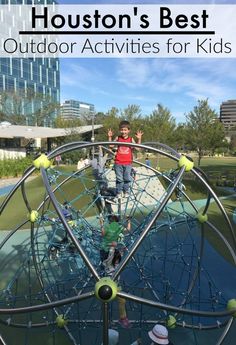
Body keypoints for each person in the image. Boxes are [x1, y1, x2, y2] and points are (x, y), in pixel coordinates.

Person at [108, 120, 143, 200]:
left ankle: (126, 191)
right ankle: (119, 192)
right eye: (122, 130)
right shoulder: (118, 138)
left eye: (125, 130)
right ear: (120, 130)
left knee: (127, 178)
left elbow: (138, 149)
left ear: (129, 130)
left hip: (128, 163)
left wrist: (139, 139)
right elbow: (111, 146)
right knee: (119, 179)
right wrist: (110, 137)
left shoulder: (131, 139)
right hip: (118, 162)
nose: (123, 132)